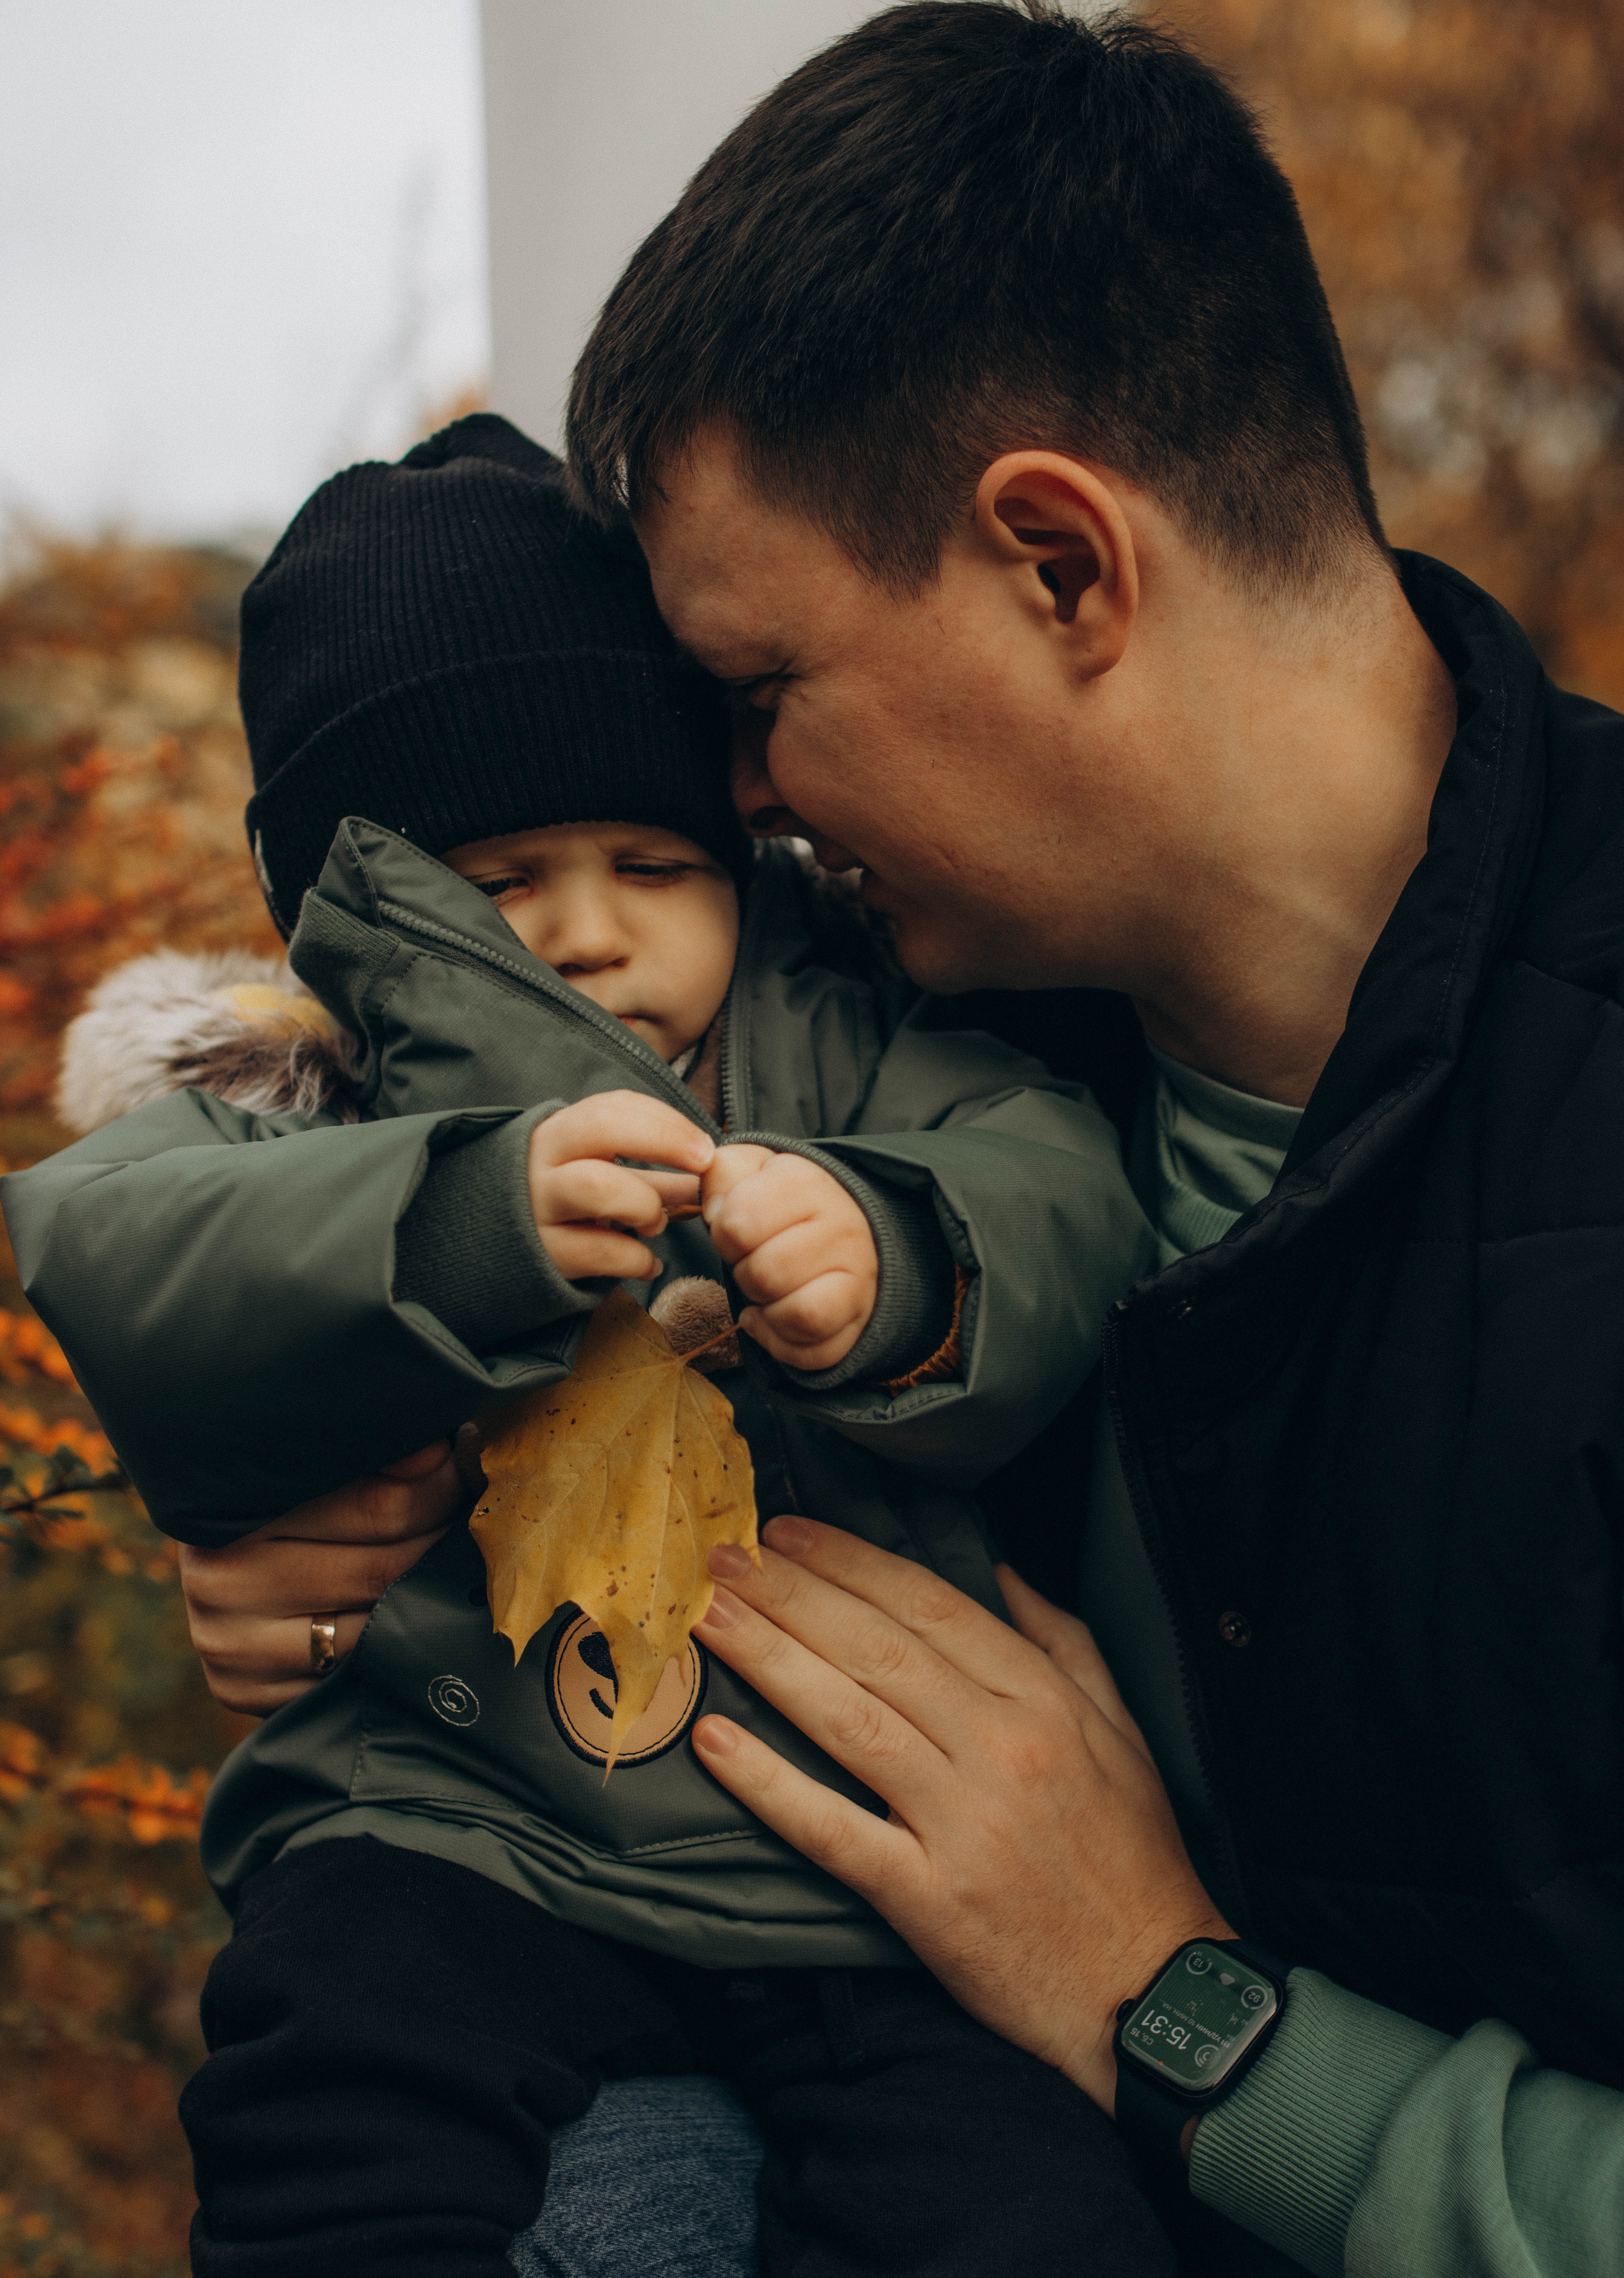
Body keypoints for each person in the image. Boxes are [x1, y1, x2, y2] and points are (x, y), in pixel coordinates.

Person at [166, 6, 1624, 2275]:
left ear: (1062, 569)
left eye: (755, 706)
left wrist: (1186, 2014)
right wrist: (336, 1539)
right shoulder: (888, 1032)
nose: (726, 825)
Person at [3, 412, 1172, 2276]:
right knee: (337, 2099)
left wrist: (898, 1253)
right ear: (356, 914)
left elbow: (1058, 1191)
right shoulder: (310, 1089)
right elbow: (124, 1246)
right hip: (461, 1812)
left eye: (652, 858)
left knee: (1014, 2198)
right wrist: (455, 1220)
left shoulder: (847, 1035)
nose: (594, 935)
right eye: (505, 883)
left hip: (860, 1856)